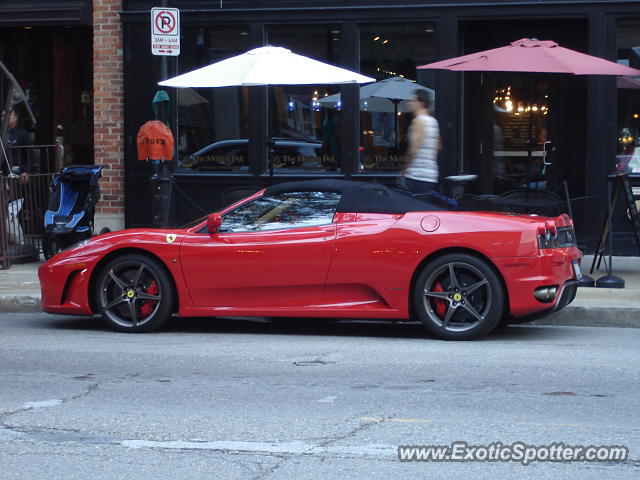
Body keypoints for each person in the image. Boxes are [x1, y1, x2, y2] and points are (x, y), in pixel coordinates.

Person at [400, 89, 441, 194]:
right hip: (431, 176)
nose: (409, 103)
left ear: (421, 103)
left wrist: (404, 169)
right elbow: (438, 146)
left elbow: (413, 150)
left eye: (413, 101)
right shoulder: (433, 121)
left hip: (416, 176)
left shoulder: (418, 121)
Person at [2, 110, 33, 184]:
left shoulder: (23, 134)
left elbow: (30, 154)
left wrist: (26, 171)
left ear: (16, 117)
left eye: (8, 115)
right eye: (2, 116)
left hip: (17, 171)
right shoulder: (2, 134)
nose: (4, 118)